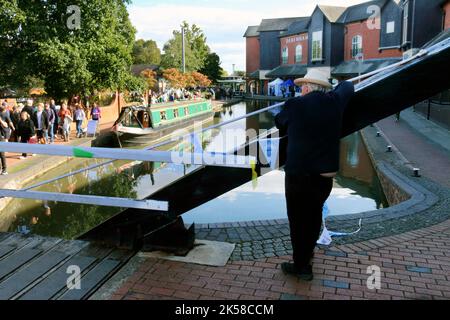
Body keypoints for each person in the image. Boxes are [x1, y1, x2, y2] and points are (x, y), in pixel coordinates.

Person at [274, 69, 355, 281]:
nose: (300, 91)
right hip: (323, 178)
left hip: (298, 175)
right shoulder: (335, 102)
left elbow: (279, 122)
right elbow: (347, 86)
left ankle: (301, 266)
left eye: (302, 88)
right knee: (313, 218)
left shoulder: (294, 105)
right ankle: (307, 260)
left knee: (297, 221)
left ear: (308, 87)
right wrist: (332, 90)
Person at [0, 104, 15, 175]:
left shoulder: (5, 114)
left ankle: (4, 169)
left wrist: (12, 127)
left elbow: (6, 125)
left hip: (2, 135)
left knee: (2, 153)